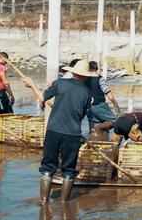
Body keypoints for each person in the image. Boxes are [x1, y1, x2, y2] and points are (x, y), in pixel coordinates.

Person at [23, 60, 96, 203]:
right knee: (69, 168)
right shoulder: (87, 93)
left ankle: (44, 201)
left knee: (48, 165)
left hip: (54, 130)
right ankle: (64, 202)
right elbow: (80, 115)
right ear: (86, 76)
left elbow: (42, 98)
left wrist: (32, 86)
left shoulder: (59, 83)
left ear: (73, 72)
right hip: (73, 133)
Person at [85, 61, 121, 133]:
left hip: (88, 107)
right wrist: (115, 104)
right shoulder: (100, 79)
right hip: (99, 105)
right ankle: (98, 129)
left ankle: (95, 139)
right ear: (97, 68)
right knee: (113, 121)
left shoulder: (83, 79)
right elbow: (107, 92)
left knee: (94, 127)